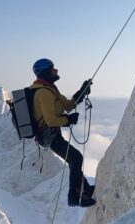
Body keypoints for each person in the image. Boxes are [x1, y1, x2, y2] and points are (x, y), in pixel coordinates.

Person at [30, 58, 96, 207]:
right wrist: (68, 120)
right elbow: (51, 120)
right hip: (49, 136)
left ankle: (85, 188)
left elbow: (67, 105)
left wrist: (81, 92)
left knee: (73, 159)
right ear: (46, 72)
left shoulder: (49, 89)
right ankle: (74, 196)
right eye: (52, 69)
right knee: (75, 158)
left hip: (52, 134)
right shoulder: (43, 93)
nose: (56, 71)